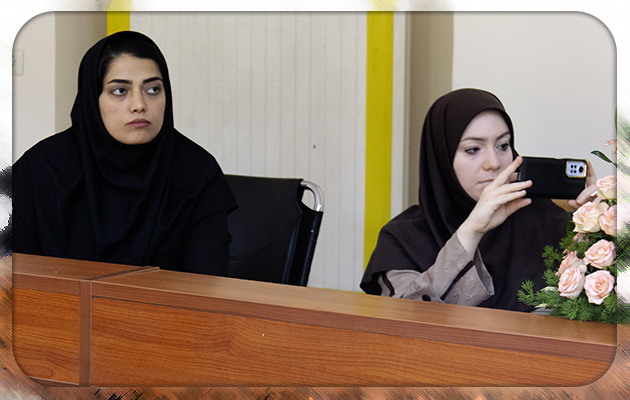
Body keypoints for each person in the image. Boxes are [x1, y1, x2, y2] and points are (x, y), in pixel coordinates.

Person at [12, 31, 237, 275]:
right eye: (120, 91)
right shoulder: (39, 169)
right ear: (92, 98)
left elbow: (206, 286)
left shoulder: (198, 172)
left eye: (153, 89)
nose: (139, 105)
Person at [360, 88, 596, 311]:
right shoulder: (402, 238)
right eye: (473, 149)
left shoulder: (548, 221)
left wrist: (597, 227)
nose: (493, 163)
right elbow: (405, 318)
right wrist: (471, 231)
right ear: (442, 158)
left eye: (503, 145)